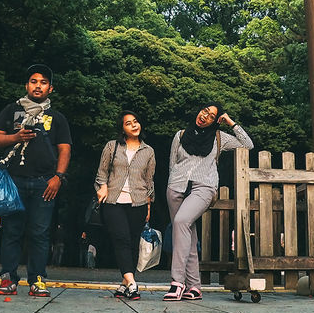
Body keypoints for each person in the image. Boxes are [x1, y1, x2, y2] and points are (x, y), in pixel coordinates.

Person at [0, 64, 72, 298]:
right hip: (13, 181)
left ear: (50, 88)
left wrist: (58, 177)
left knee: (40, 232)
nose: (38, 85)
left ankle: (37, 279)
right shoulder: (11, 110)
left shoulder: (56, 118)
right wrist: (15, 137)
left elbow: (65, 149)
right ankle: (8, 278)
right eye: (34, 81)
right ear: (27, 85)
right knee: (12, 231)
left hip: (45, 182)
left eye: (43, 82)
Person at [163, 103, 252, 301]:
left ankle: (177, 282)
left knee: (181, 222)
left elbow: (248, 144)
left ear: (216, 120)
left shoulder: (220, 138)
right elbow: (172, 164)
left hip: (203, 187)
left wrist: (230, 122)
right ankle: (194, 286)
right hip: (176, 187)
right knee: (187, 234)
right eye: (204, 111)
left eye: (211, 116)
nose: (205, 116)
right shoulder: (180, 135)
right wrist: (172, 185)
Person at [94, 111, 156, 300]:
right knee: (121, 239)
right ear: (122, 128)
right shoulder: (112, 147)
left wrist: (148, 206)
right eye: (128, 123)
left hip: (137, 202)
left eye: (136, 121)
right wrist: (102, 187)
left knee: (133, 242)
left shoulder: (148, 151)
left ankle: (124, 285)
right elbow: (102, 172)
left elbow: (149, 181)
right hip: (113, 201)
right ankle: (132, 283)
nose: (134, 125)